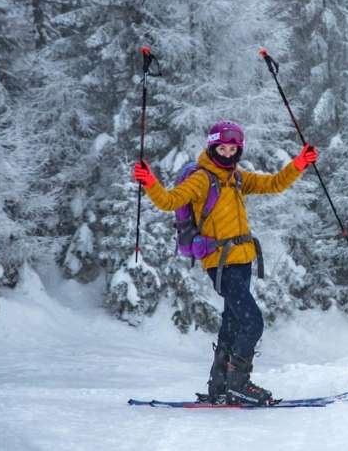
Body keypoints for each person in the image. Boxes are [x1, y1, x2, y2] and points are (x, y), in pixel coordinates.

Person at [132, 120, 317, 405]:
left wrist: (300, 162)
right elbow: (169, 201)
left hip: (242, 261)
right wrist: (150, 182)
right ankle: (239, 384)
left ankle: (219, 384)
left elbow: (275, 183)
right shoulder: (202, 179)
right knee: (252, 322)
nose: (228, 153)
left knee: (232, 322)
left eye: (234, 148)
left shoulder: (237, 178)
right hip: (220, 264)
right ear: (212, 146)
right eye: (223, 147)